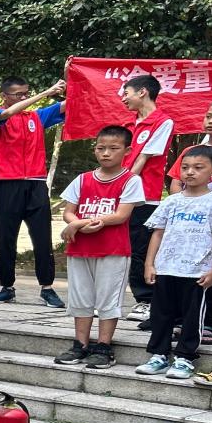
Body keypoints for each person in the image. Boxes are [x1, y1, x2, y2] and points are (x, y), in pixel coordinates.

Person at [56, 125, 143, 370]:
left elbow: (121, 215)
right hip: (80, 248)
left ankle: (104, 347)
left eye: (113, 148)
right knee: (80, 298)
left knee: (108, 299)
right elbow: (68, 212)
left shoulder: (131, 180)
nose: (106, 153)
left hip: (113, 250)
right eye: (101, 148)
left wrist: (80, 223)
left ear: (127, 151)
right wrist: (76, 223)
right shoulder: (82, 179)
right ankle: (80, 344)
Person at [0, 77, 67, 308]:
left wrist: (71, 77)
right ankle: (7, 287)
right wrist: (45, 93)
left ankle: (47, 288)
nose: (24, 97)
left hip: (36, 184)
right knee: (5, 238)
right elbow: (8, 114)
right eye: (18, 94)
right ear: (4, 96)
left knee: (42, 238)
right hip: (8, 184)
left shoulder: (36, 117)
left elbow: (69, 104)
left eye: (26, 93)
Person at [134, 146, 212, 381]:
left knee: (192, 316)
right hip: (166, 268)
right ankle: (158, 355)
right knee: (161, 314)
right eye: (185, 167)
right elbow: (157, 233)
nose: (190, 172)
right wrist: (149, 264)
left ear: (211, 171)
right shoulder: (172, 201)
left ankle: (185, 358)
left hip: (196, 272)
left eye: (198, 168)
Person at [121, 75, 175, 324]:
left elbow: (143, 159)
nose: (124, 99)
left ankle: (146, 300)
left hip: (144, 197)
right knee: (119, 247)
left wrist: (122, 185)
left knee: (139, 249)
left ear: (142, 92)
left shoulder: (163, 122)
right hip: (121, 193)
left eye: (127, 93)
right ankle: (111, 299)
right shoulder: (128, 124)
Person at [169, 103, 212, 346]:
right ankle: (185, 319)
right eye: (208, 116)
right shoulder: (191, 150)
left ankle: (209, 323)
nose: (211, 121)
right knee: (190, 271)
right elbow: (176, 184)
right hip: (189, 222)